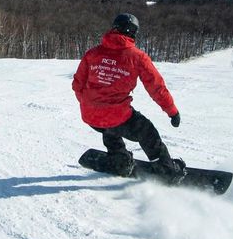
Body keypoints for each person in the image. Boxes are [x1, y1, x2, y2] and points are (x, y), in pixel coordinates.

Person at [72, 13, 186, 183]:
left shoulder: (92, 53)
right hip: (114, 115)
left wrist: (90, 104)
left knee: (110, 126)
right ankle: (166, 170)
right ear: (133, 32)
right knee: (146, 132)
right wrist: (172, 111)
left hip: (90, 115)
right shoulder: (137, 57)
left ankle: (120, 159)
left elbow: (77, 84)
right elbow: (156, 87)